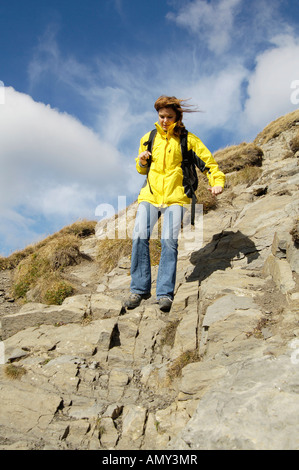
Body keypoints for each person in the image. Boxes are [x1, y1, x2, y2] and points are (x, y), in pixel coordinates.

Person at [124, 95, 225, 312]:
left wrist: (217, 182)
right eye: (161, 116)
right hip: (150, 196)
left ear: (177, 117)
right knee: (139, 235)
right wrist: (141, 160)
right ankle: (139, 290)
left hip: (176, 197)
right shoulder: (149, 137)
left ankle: (164, 294)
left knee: (168, 241)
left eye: (169, 116)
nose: (164, 120)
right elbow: (142, 169)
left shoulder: (189, 140)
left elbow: (209, 163)